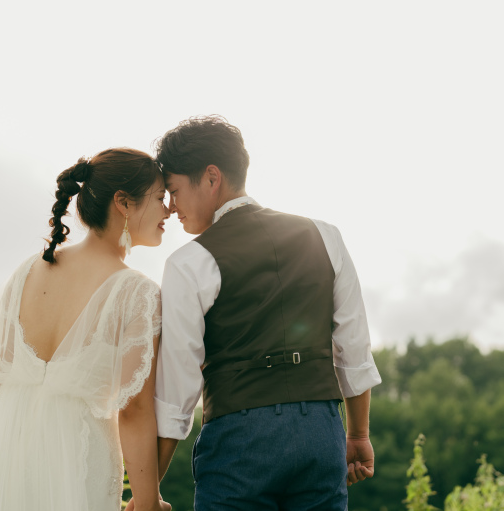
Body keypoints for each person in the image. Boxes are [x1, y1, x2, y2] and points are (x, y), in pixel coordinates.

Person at [151, 116, 382, 510]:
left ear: (211, 178)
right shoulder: (325, 235)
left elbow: (177, 392)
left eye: (174, 191)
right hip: (320, 434)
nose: (171, 208)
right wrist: (358, 435)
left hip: (239, 443)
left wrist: (148, 488)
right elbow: (354, 350)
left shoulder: (188, 263)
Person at [0, 148, 173, 511]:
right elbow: (133, 408)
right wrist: (147, 501)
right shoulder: (136, 294)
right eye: (160, 197)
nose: (169, 209)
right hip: (75, 469)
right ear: (123, 203)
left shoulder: (28, 271)